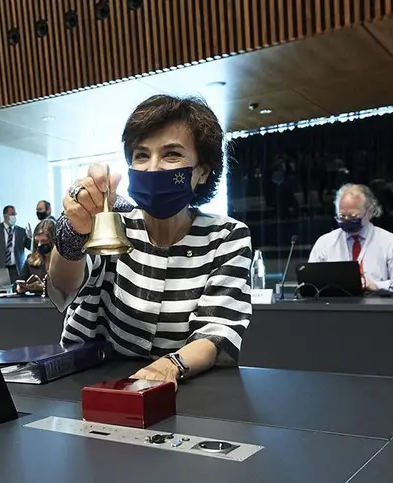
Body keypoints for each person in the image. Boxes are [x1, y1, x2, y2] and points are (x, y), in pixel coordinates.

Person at [47, 94, 253, 385]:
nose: (153, 167)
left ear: (203, 170)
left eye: (172, 155)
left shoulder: (226, 237)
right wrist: (75, 230)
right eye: (141, 155)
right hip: (89, 379)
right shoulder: (110, 219)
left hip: (179, 387)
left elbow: (216, 332)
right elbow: (62, 286)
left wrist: (171, 367)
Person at [308, 183, 393, 292]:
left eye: (353, 216)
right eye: (342, 216)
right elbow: (309, 284)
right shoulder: (324, 243)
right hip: (336, 306)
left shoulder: (390, 242)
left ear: (370, 212)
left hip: (377, 306)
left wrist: (377, 285)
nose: (347, 220)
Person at [0, 205, 31, 283]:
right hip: (0, 268)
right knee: (2, 292)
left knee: (17, 292)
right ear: (5, 215)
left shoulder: (21, 231)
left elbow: (31, 248)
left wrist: (31, 237)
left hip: (17, 269)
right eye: (12, 214)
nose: (15, 216)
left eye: (15, 214)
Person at [17, 219, 55, 295]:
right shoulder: (31, 259)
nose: (40, 245)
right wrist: (20, 288)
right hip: (36, 304)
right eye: (37, 242)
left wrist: (43, 288)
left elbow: (68, 289)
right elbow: (20, 281)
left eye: (44, 241)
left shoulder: (65, 261)